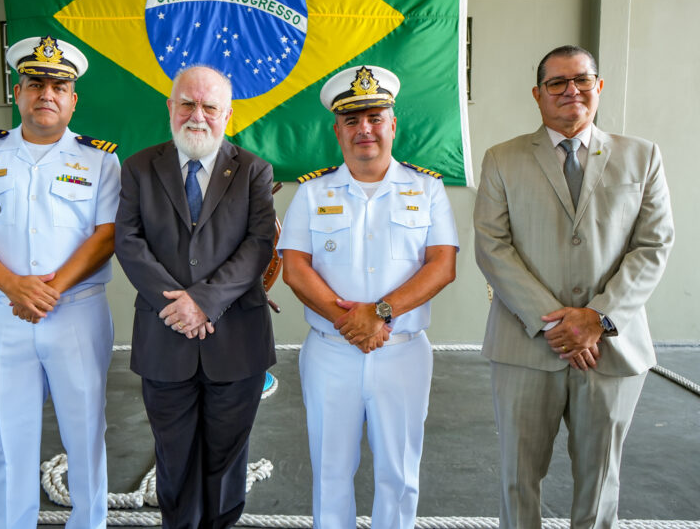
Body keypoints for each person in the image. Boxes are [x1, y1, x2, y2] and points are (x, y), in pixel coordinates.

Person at [473, 45, 675, 528]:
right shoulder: (502, 159)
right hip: (525, 346)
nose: (571, 91)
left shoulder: (641, 156)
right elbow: (492, 246)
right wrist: (556, 325)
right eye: (557, 83)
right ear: (538, 95)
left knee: (600, 480)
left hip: (612, 347)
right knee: (518, 480)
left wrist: (596, 318)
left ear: (599, 87)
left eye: (582, 80)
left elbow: (654, 244)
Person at [0, 36, 121, 528]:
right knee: (8, 439)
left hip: (77, 316)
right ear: (17, 92)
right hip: (4, 315)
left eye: (58, 85)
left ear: (73, 98)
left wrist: (50, 289)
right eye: (35, 83)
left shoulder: (100, 160)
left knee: (86, 437)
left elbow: (106, 237)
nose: (47, 93)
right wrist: (15, 286)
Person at [277, 65, 458, 528]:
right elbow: (295, 268)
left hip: (403, 353)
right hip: (330, 352)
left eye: (375, 118)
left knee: (399, 475)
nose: (365, 130)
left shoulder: (428, 188)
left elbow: (442, 265)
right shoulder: (313, 192)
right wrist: (349, 322)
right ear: (337, 129)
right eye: (353, 121)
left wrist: (379, 314)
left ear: (393, 125)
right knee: (330, 473)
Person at [114, 65, 276, 527]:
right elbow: (129, 241)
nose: (197, 115)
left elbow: (259, 246)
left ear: (228, 113)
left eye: (209, 106)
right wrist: (178, 306)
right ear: (170, 107)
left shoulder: (253, 171)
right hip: (164, 339)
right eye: (187, 103)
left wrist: (202, 302)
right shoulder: (139, 168)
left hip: (237, 342)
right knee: (174, 461)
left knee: (227, 463)